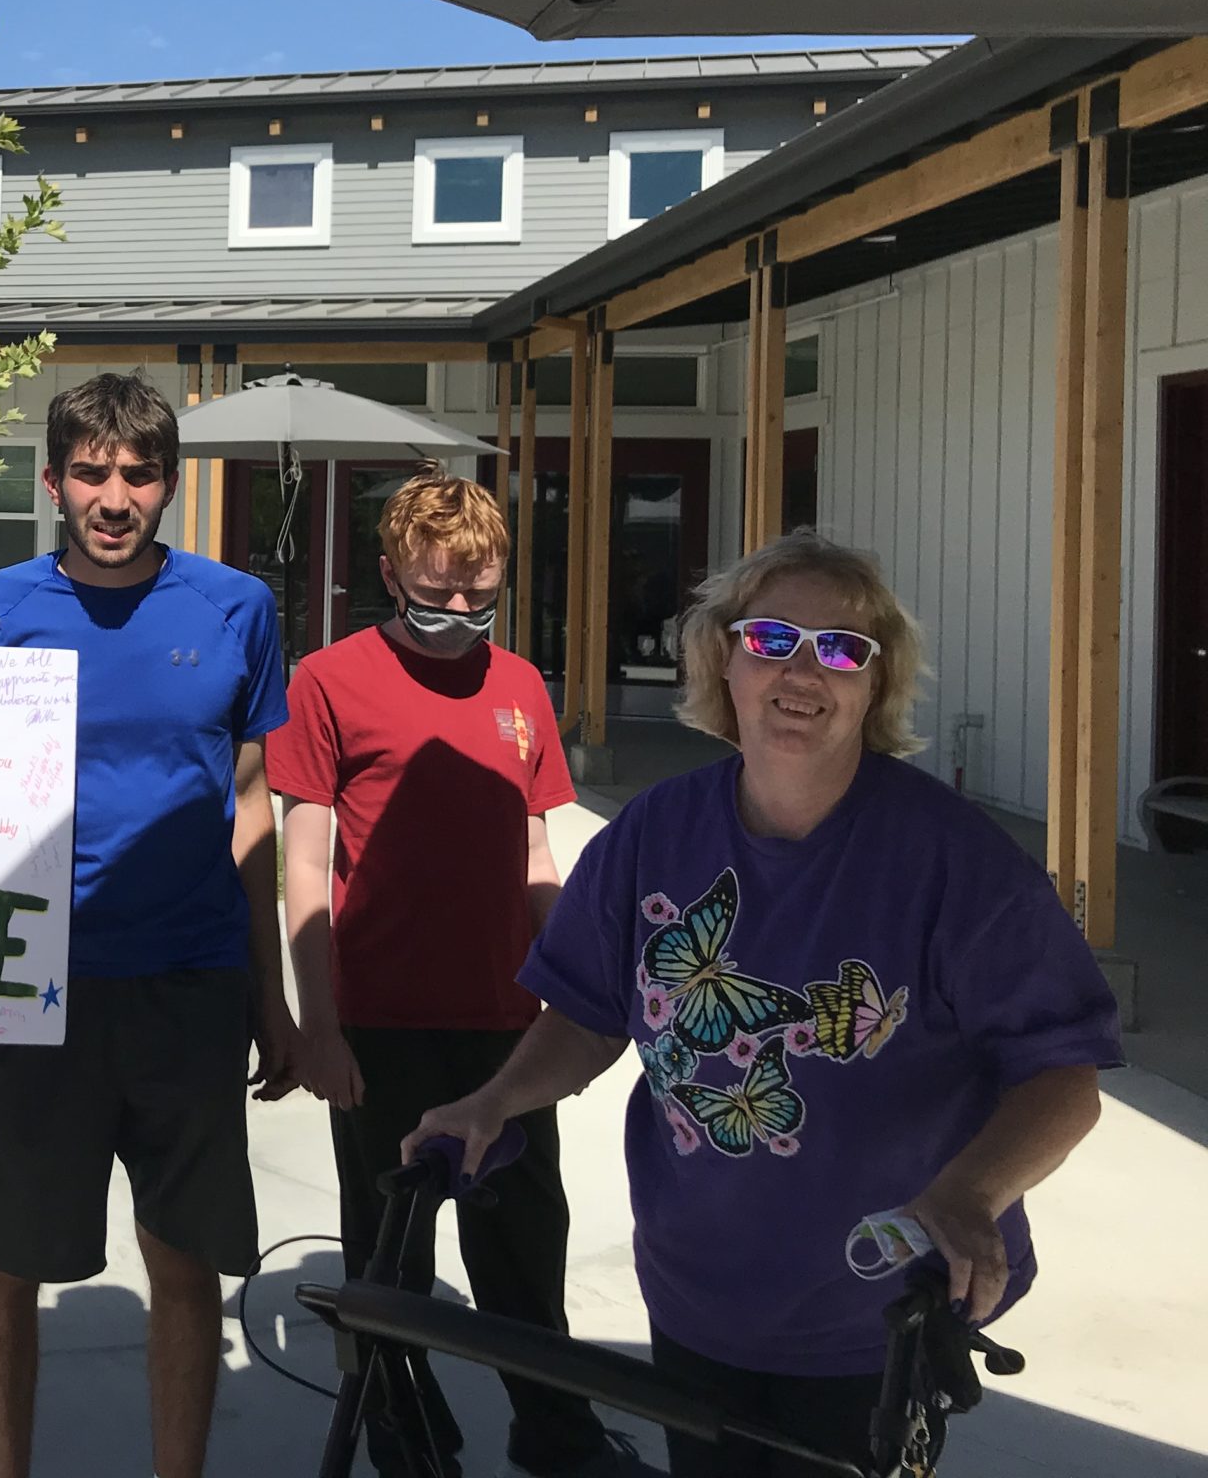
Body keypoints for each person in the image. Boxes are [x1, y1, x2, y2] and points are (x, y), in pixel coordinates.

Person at [410, 531, 1120, 1477]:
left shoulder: (956, 861)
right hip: (694, 1300)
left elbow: (1064, 1075)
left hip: (873, 1319)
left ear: (875, 685)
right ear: (724, 659)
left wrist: (971, 1192)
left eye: (842, 650)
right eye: (773, 639)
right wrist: (495, 1101)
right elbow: (587, 1012)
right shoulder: (654, 832)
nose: (802, 671)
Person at [0, 371, 293, 1478]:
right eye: (90, 473)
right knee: (6, 1260)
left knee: (183, 1262)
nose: (114, 497)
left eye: (138, 474)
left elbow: (253, 802)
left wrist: (271, 999)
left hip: (190, 982)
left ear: (170, 485)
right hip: (35, 988)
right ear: (52, 482)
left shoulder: (237, 608)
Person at [269, 466, 637, 1478]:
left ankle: (556, 1436)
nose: (460, 610)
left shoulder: (518, 685)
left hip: (506, 1022)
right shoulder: (328, 680)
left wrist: (582, 985)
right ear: (391, 574)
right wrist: (317, 1024)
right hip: (379, 1021)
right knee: (389, 1256)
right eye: (436, 591)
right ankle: (406, 1440)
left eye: (480, 592)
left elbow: (534, 852)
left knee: (524, 1246)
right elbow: (305, 859)